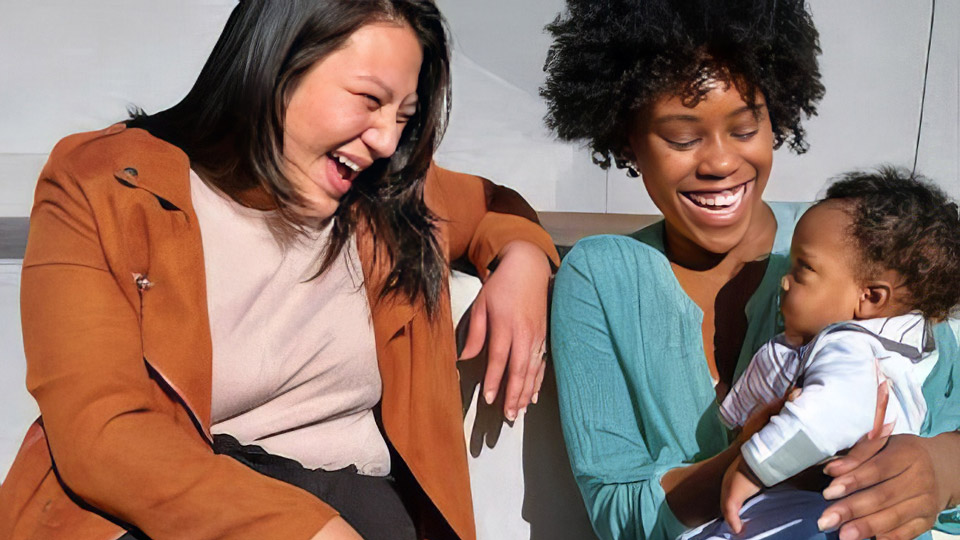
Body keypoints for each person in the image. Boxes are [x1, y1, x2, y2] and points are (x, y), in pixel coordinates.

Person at [0, 1, 559, 539]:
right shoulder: (105, 185)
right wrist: (298, 529)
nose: (387, 140)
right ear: (278, 65)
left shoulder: (386, 199)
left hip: (362, 510)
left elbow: (492, 206)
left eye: (404, 118)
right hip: (182, 515)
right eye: (368, 99)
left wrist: (524, 260)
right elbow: (102, 432)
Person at [543, 1, 960, 540]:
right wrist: (749, 460)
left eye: (744, 129)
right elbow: (617, 516)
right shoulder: (600, 279)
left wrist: (938, 470)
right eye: (682, 137)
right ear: (627, 137)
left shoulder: (857, 242)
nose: (719, 162)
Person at [711, 169, 960, 534]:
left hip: (830, 514)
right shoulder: (904, 347)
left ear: (870, 297)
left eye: (803, 268)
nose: (785, 278)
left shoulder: (853, 346)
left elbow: (826, 416)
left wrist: (753, 467)